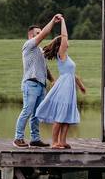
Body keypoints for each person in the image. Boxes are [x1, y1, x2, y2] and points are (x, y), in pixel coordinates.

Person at [35, 16, 86, 150]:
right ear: (61, 44)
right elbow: (64, 36)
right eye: (65, 40)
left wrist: (80, 86)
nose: (67, 41)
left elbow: (71, 73)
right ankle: (55, 142)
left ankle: (62, 141)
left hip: (69, 88)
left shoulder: (67, 57)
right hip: (64, 88)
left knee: (67, 116)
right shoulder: (61, 53)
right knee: (60, 116)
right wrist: (63, 21)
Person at [14, 15, 61, 148]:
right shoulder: (28, 45)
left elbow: (44, 68)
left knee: (36, 114)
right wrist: (53, 21)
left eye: (40, 33)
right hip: (31, 83)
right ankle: (18, 138)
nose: (40, 35)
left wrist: (52, 80)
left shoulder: (39, 50)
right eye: (37, 33)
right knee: (27, 111)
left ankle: (35, 139)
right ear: (31, 36)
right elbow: (46, 33)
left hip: (41, 85)